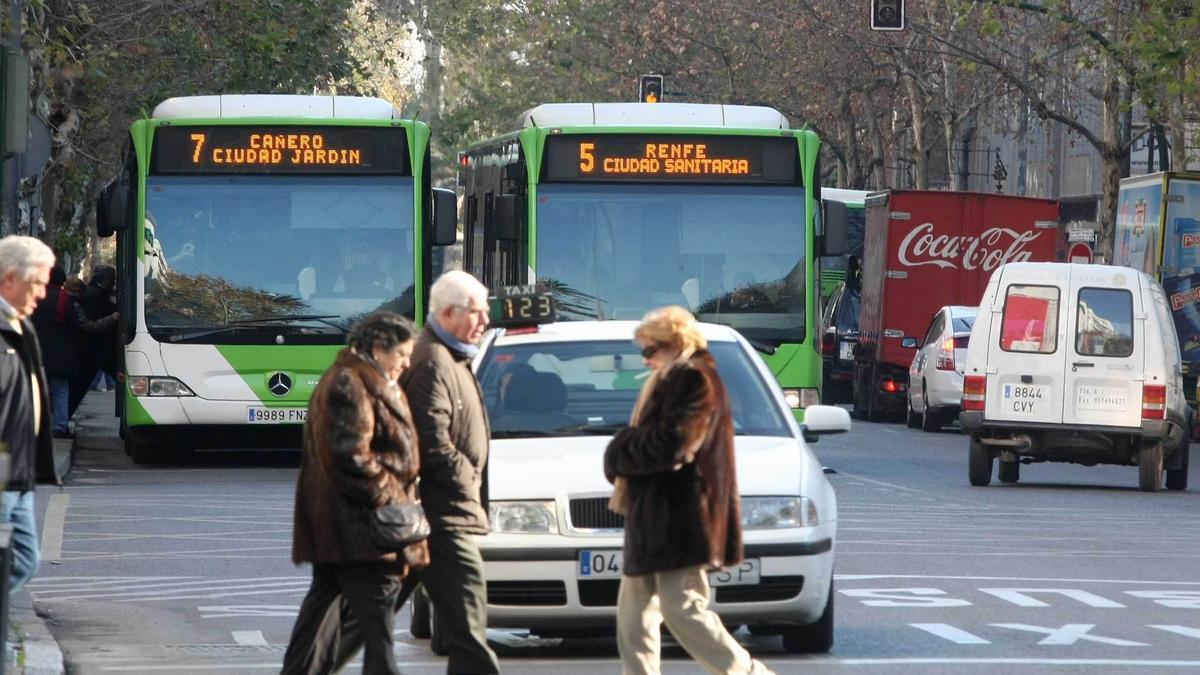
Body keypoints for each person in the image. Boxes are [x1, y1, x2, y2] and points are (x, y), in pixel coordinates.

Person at [604, 306, 773, 675]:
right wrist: (626, 449)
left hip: (681, 519)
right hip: (654, 517)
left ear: (674, 343)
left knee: (684, 609)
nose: (646, 359)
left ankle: (746, 672)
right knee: (634, 618)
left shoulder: (695, 379)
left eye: (651, 350)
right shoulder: (671, 378)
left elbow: (675, 444)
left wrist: (619, 451)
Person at [281, 311, 428, 675]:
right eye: (402, 355)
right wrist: (393, 494)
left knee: (322, 620)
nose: (407, 363)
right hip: (359, 530)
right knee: (377, 628)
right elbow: (350, 456)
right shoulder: (351, 383)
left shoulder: (364, 378)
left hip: (345, 529)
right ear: (378, 348)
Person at [401, 270, 499, 674]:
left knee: (359, 620)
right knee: (470, 629)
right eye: (477, 312)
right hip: (442, 515)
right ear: (447, 314)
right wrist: (466, 481)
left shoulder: (452, 357)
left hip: (444, 514)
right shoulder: (433, 362)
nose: (485, 321)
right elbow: (431, 441)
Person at [0, 235, 60, 595]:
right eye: (36, 284)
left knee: (24, 561)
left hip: (19, 471)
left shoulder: (22, 326)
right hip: (3, 473)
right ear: (9, 279)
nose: (41, 294)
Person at [30, 266, 117, 437]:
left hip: (35, 350)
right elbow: (85, 325)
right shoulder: (64, 299)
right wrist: (112, 319)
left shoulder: (33, 297)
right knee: (60, 389)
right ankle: (60, 427)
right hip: (59, 352)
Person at [72, 264, 118, 414]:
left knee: (79, 387)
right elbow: (93, 325)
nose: (113, 283)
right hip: (95, 349)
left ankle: (62, 420)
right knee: (79, 387)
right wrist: (113, 318)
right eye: (112, 279)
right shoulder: (95, 295)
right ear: (105, 279)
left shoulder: (94, 293)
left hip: (92, 349)